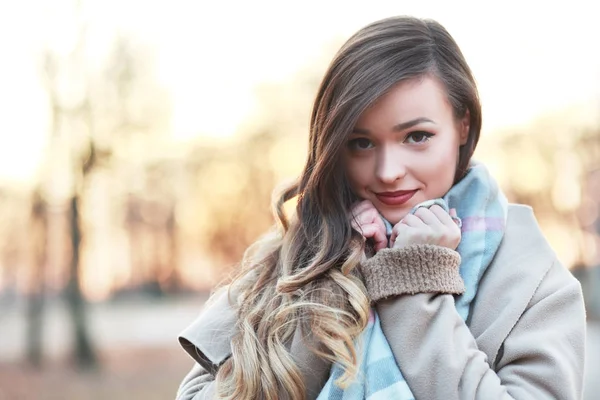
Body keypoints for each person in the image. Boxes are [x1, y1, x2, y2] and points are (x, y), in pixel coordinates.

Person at [175, 16, 586, 400]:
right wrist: (335, 280)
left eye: (417, 136)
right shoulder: (292, 254)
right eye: (361, 143)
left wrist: (413, 282)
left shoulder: (532, 277)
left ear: (463, 125)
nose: (388, 172)